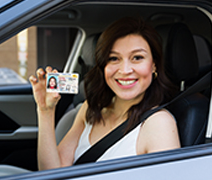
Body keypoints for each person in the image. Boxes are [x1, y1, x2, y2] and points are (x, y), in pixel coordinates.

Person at [29, 17, 180, 171]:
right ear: (103, 66)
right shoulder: (90, 108)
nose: (125, 70)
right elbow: (52, 172)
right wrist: (45, 110)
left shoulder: (159, 123)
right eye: (114, 58)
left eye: (137, 58)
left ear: (154, 65)